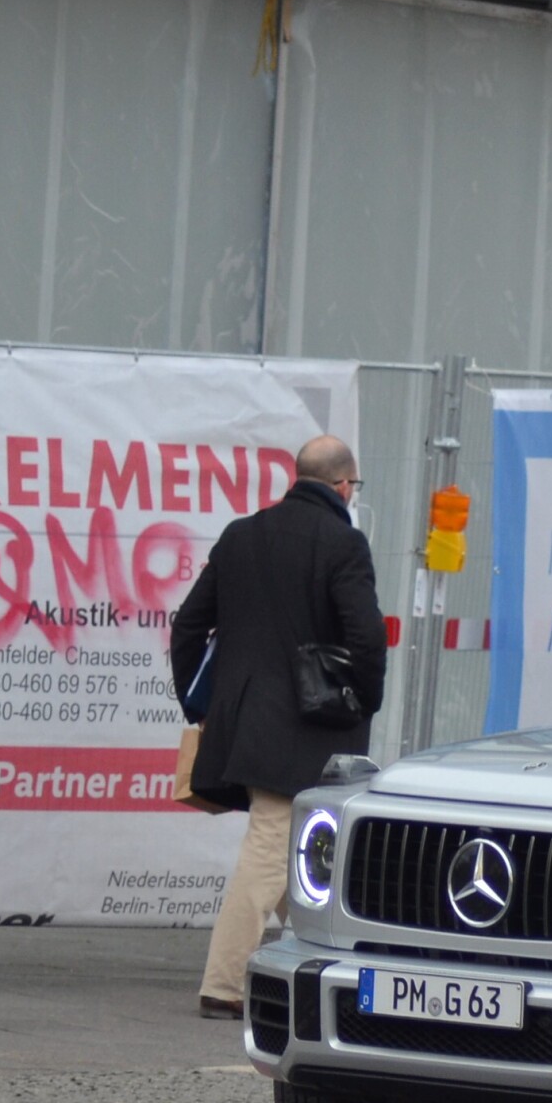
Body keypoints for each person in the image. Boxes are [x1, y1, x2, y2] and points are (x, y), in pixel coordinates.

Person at [171, 435, 387, 1018]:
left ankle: (321, 974)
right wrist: (365, 701)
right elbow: (366, 639)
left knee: (303, 856)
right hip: (312, 725)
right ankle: (223, 985)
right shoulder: (343, 544)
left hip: (243, 723)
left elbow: (188, 625)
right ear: (344, 486)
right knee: (272, 848)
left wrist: (200, 704)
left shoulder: (242, 535)